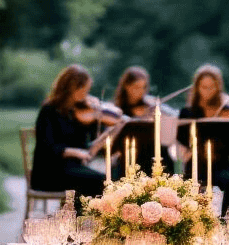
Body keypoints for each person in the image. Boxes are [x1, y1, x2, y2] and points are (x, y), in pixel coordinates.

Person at [30, 64, 106, 202]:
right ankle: (78, 220)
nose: (86, 95)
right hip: (49, 173)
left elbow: (87, 142)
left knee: (102, 179)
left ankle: (80, 219)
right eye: (84, 90)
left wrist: (97, 117)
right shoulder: (49, 110)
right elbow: (48, 147)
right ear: (71, 88)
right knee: (99, 180)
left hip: (72, 168)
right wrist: (74, 152)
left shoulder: (77, 111)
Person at [177, 64, 229, 214]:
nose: (208, 91)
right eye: (204, 87)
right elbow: (182, 144)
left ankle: (227, 225)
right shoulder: (187, 112)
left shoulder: (227, 109)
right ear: (197, 88)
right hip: (196, 163)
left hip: (221, 164)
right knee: (196, 183)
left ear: (218, 87)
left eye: (212, 87)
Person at [113, 65, 173, 175]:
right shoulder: (118, 109)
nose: (141, 91)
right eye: (136, 87)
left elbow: (171, 117)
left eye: (143, 87)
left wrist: (157, 110)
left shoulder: (150, 106)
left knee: (163, 155)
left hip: (153, 154)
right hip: (129, 155)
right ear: (126, 86)